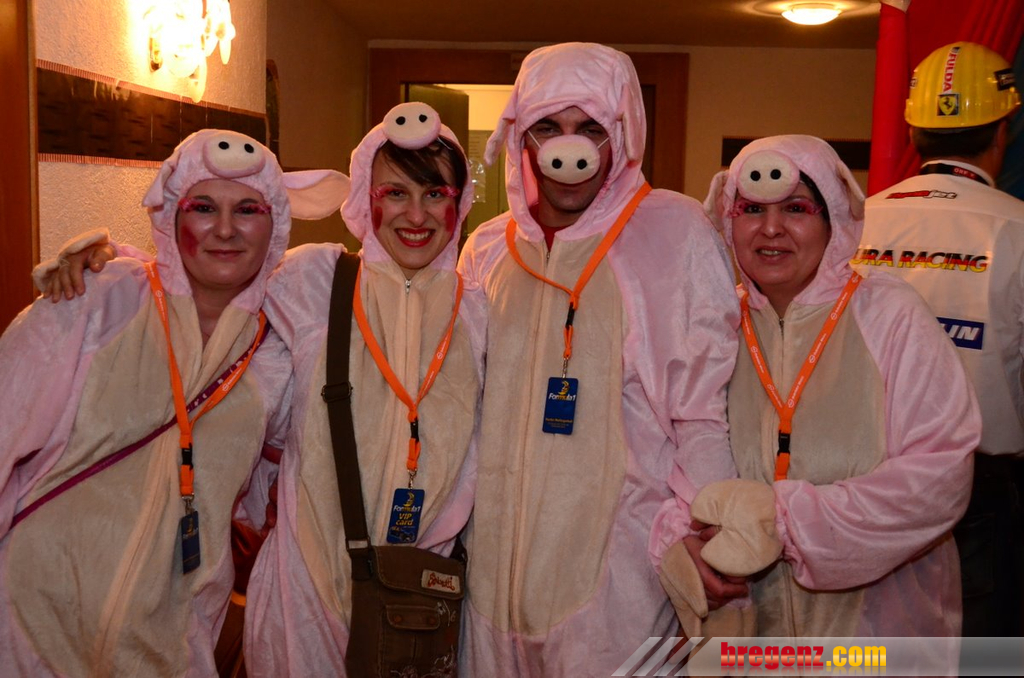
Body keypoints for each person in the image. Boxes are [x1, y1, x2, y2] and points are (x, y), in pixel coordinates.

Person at [0, 129, 345, 676]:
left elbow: (279, 487)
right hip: (25, 627)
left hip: (170, 645)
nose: (225, 230)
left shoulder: (279, 353)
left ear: (277, 221)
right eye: (203, 207)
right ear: (171, 216)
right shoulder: (97, 296)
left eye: (248, 209)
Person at [457, 42, 741, 675]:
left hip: (619, 590)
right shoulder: (486, 248)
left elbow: (702, 408)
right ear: (521, 136)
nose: (569, 149)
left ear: (624, 131)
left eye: (590, 128)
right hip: (490, 589)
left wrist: (710, 530)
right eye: (548, 127)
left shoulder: (674, 231)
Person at [692, 135, 978, 651]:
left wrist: (785, 522)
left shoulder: (889, 314)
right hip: (749, 636)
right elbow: (674, 454)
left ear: (834, 221)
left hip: (878, 635)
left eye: (796, 208)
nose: (771, 228)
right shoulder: (712, 324)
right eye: (751, 209)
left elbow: (941, 473)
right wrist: (683, 544)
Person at [238, 102, 481, 677]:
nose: (416, 215)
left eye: (435, 194)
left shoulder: (479, 313)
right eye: (395, 193)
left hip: (419, 601)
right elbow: (211, 304)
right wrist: (115, 272)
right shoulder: (312, 280)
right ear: (364, 201)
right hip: (304, 591)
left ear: (461, 202)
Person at [858, 41, 1024, 636]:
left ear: (914, 130)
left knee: (869, 657)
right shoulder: (1017, 228)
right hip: (980, 496)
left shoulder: (851, 220)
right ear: (1002, 131)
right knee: (980, 657)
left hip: (855, 483)